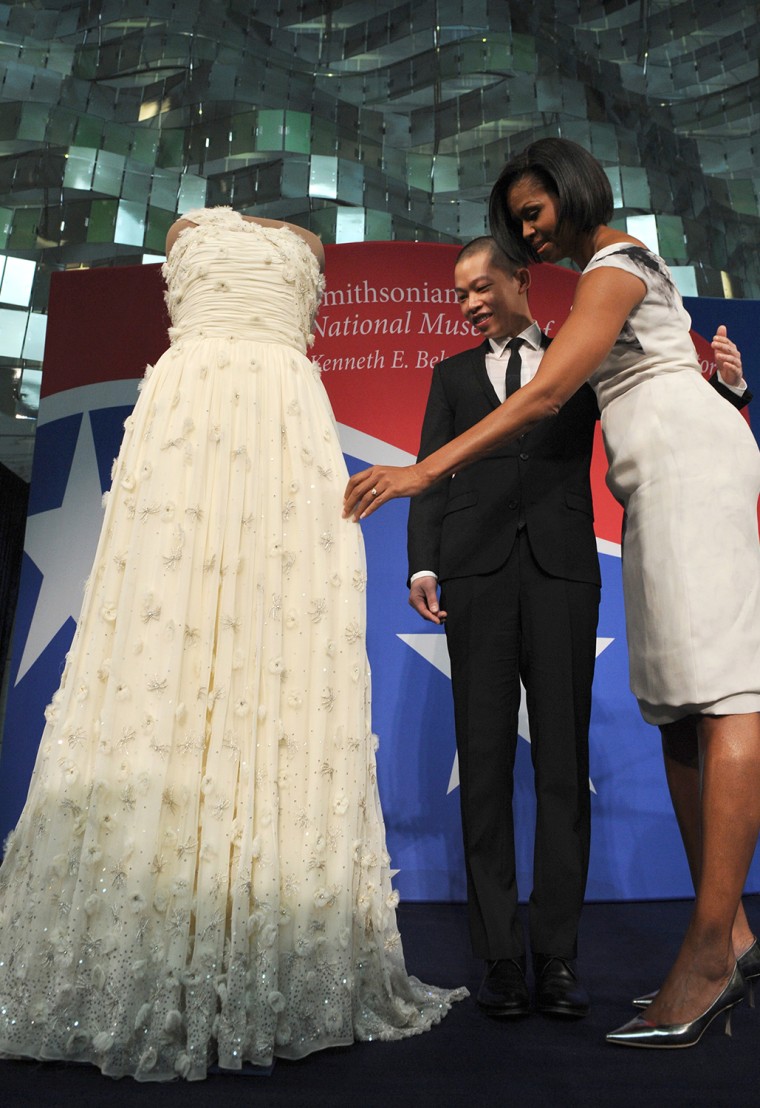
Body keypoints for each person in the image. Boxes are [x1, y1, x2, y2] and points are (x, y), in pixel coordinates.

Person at [0, 206, 465, 1081]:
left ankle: (270, 936)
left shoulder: (308, 250)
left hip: (287, 431)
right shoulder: (183, 230)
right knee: (163, 634)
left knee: (277, 644)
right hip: (189, 424)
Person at [344, 138, 760, 1049]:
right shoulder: (589, 300)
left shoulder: (610, 269)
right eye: (518, 221)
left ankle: (705, 953)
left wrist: (421, 474)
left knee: (723, 695)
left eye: (533, 213)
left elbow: (548, 400)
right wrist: (728, 388)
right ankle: (726, 935)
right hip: (635, 501)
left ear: (572, 193)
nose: (529, 233)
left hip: (664, 502)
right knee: (679, 711)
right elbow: (665, 377)